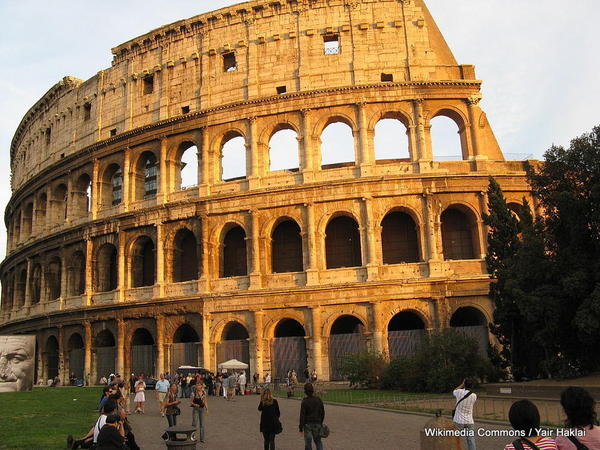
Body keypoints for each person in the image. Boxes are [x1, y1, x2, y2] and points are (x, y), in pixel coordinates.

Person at [453, 378, 477, 450]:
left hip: (458, 420)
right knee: (471, 440)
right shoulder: (474, 396)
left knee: (455, 439)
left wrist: (462, 384)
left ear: (464, 385)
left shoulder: (459, 392)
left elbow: (454, 390)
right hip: (469, 421)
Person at [300, 382, 325, 450]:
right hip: (317, 423)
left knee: (308, 443)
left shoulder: (304, 401)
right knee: (318, 441)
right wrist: (320, 421)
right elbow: (322, 412)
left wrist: (301, 427)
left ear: (305, 392)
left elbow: (302, 415)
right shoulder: (318, 400)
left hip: (308, 424)